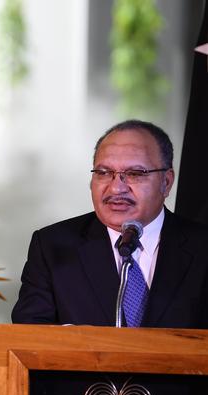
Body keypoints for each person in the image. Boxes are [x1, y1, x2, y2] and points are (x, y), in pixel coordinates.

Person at [12, 119, 208, 328]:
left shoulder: (202, 248)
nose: (116, 189)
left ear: (166, 182)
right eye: (104, 173)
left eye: (134, 174)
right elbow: (28, 340)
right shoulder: (53, 247)